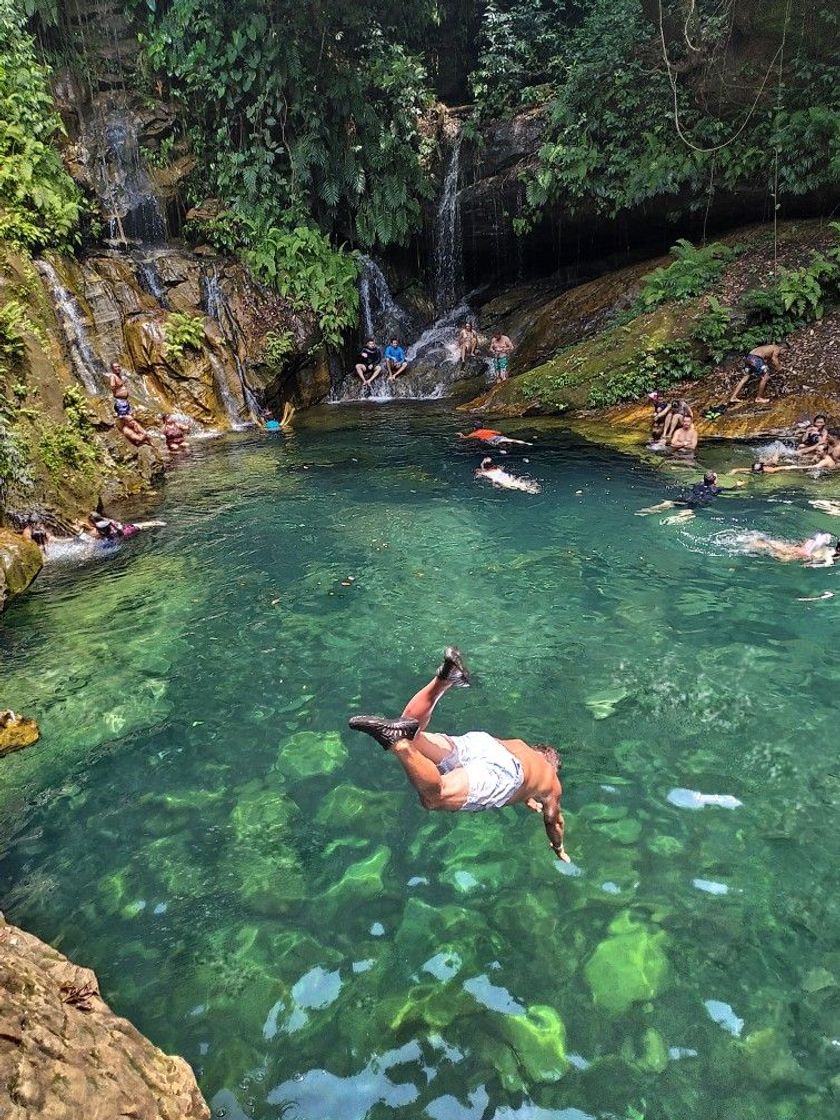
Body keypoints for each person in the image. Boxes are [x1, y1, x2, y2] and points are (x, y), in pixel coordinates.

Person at [348, 647, 569, 862]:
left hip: (487, 744)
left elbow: (526, 777)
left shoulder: (521, 746)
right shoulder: (550, 780)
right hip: (505, 771)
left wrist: (527, 798)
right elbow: (553, 820)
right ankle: (399, 745)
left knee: (412, 732)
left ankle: (444, 680)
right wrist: (558, 846)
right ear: (552, 764)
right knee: (435, 797)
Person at [475, 456, 541, 494]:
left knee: (514, 486)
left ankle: (531, 489)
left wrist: (481, 466)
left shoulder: (487, 473)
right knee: (518, 483)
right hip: (509, 477)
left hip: (504, 482)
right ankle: (531, 487)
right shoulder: (497, 469)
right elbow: (500, 466)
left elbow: (477, 472)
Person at [457, 426, 532, 447]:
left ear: (474, 428)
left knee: (496, 445)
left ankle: (504, 446)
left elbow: (465, 438)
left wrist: (461, 434)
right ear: (482, 426)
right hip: (497, 437)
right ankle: (526, 443)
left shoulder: (474, 433)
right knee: (511, 440)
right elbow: (498, 432)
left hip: (490, 440)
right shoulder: (487, 430)